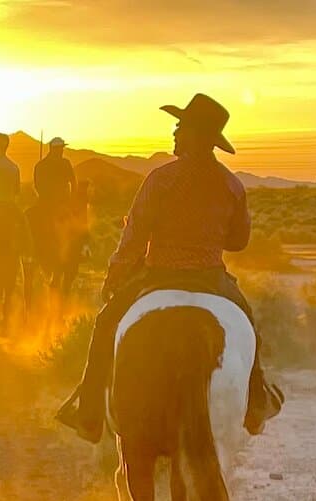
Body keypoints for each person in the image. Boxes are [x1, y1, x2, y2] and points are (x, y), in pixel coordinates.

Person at [56, 93, 284, 443]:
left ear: (196, 135)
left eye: (181, 126)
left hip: (159, 275)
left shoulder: (160, 179)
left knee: (105, 324)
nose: (175, 132)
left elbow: (134, 236)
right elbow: (239, 241)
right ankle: (257, 403)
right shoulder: (231, 185)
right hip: (211, 278)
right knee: (247, 321)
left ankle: (87, 413)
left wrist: (115, 275)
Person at [33, 137, 76, 215]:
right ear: (54, 149)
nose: (62, 150)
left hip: (48, 202)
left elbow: (37, 185)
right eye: (60, 148)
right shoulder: (65, 164)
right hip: (59, 202)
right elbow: (73, 182)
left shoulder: (40, 165)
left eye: (62, 148)